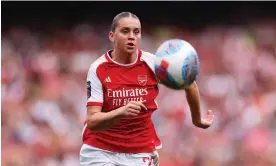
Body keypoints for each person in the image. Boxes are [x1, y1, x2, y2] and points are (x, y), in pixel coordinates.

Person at [80, 12, 214, 166]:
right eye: (125, 31)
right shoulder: (98, 69)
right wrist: (121, 112)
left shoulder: (153, 64)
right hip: (100, 150)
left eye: (136, 32)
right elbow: (92, 121)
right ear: (112, 36)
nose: (131, 36)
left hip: (139, 151)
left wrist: (197, 120)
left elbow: (190, 84)